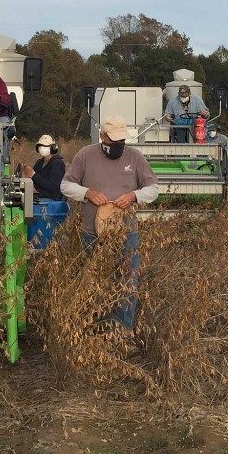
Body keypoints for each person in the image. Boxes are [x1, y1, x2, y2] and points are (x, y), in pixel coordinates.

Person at [60, 116, 159, 335]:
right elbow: (66, 185)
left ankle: (122, 330)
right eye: (113, 141)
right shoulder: (85, 155)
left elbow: (153, 188)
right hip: (91, 232)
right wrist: (87, 193)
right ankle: (97, 327)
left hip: (126, 232)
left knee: (127, 280)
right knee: (95, 280)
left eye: (121, 141)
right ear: (102, 136)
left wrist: (133, 195)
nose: (118, 146)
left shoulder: (134, 157)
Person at [28, 134, 65, 201]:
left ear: (52, 148)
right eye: (40, 146)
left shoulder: (57, 164)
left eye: (45, 146)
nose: (42, 148)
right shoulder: (39, 162)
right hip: (40, 196)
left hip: (52, 199)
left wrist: (33, 175)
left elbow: (53, 187)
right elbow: (34, 180)